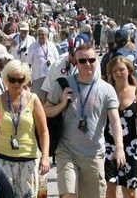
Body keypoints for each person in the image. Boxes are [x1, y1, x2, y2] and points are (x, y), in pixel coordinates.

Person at [44, 44, 126, 198]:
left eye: (91, 60)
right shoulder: (62, 84)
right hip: (66, 151)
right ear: (76, 61)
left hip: (94, 154)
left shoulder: (107, 89)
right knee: (68, 194)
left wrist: (119, 147)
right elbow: (45, 111)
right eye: (82, 61)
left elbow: (115, 121)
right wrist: (61, 104)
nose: (87, 64)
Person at [0, 60, 50, 197]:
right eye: (12, 80)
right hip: (2, 159)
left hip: (29, 159)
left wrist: (45, 157)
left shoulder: (33, 99)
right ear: (6, 79)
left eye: (20, 79)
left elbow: (43, 131)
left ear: (25, 79)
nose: (16, 84)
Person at [104, 56, 137, 198]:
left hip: (131, 146)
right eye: (115, 70)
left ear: (129, 71)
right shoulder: (107, 91)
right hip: (109, 145)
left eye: (122, 69)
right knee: (110, 187)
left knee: (130, 191)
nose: (118, 73)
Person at [27, 27, 60, 98]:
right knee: (37, 98)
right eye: (39, 35)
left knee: (50, 98)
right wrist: (28, 78)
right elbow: (28, 63)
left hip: (51, 76)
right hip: (38, 77)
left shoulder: (52, 45)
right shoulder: (32, 46)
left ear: (47, 35)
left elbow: (57, 60)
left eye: (43, 34)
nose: (41, 36)